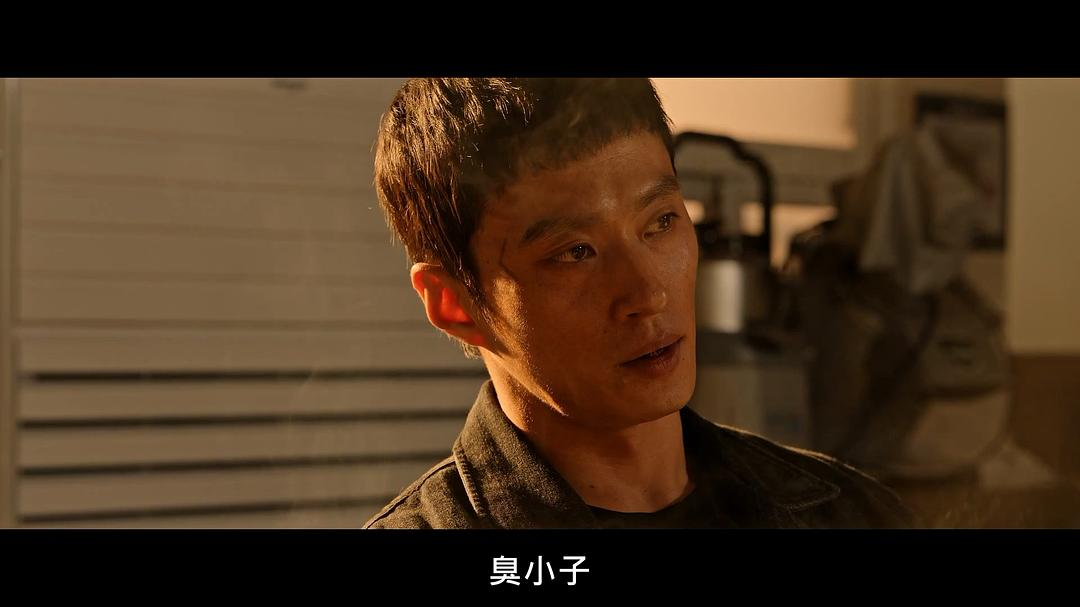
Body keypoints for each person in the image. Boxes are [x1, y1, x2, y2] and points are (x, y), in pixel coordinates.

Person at [362, 78, 919, 529]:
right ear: (455, 305)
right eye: (575, 252)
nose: (648, 294)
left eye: (661, 222)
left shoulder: (850, 513)